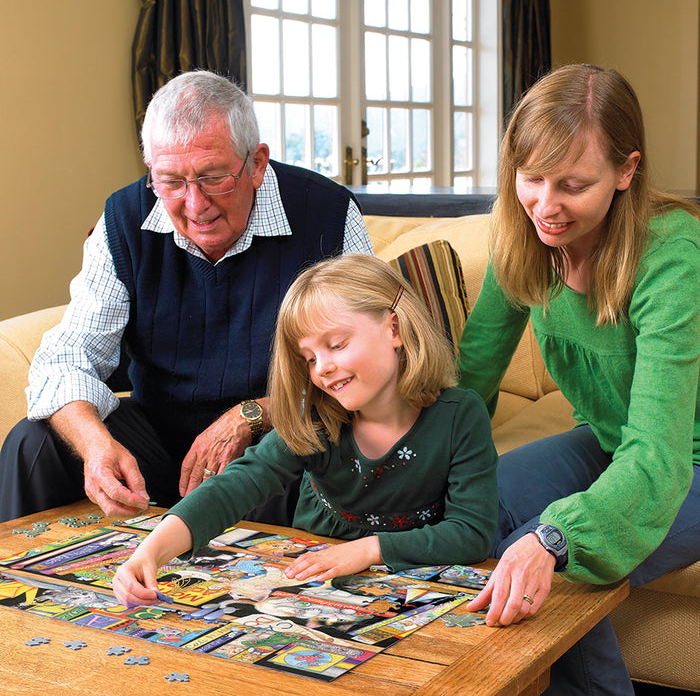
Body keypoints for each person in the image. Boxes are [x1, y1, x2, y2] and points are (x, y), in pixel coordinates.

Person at [0, 70, 373, 523]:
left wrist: (253, 415)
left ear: (256, 164)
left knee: (299, 454)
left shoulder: (327, 214)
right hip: (160, 443)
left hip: (277, 434)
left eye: (214, 177)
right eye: (171, 181)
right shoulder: (123, 218)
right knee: (33, 442)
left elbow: (368, 364)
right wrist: (96, 446)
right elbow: (67, 357)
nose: (194, 205)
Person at [458, 63, 700, 694]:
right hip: (610, 443)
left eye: (572, 184)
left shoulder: (671, 258)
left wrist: (556, 536)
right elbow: (473, 374)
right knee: (470, 517)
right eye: (531, 179)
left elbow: (657, 451)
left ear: (626, 172)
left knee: (556, 570)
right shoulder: (523, 237)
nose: (545, 205)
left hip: (682, 462)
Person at [112, 254, 499, 606]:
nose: (322, 369)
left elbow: (471, 533)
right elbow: (237, 484)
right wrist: (149, 552)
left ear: (393, 329)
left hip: (415, 582)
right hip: (313, 580)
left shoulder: (461, 415)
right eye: (310, 358)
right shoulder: (317, 416)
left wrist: (367, 550)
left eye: (337, 344)